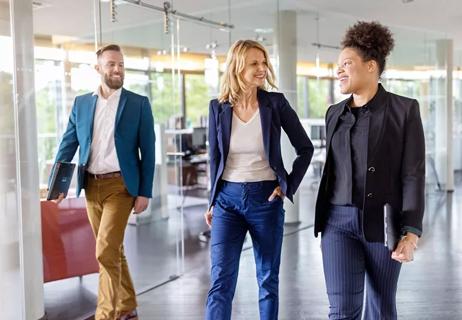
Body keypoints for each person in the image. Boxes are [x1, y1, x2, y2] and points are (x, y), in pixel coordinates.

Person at [314, 21, 425, 319]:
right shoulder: (333, 113)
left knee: (380, 305)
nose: (339, 70)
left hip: (383, 222)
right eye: (338, 65)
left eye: (347, 64)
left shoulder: (405, 110)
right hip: (337, 223)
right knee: (341, 310)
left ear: (371, 66)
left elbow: (413, 175)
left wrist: (411, 233)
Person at [204, 39, 314, 320]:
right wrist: (212, 201)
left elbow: (305, 148)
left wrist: (286, 185)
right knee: (220, 282)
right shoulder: (218, 108)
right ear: (237, 67)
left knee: (267, 281)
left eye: (264, 62)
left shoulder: (274, 104)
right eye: (254, 63)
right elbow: (215, 158)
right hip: (227, 201)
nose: (262, 68)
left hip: (265, 200)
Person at [51, 44, 155, 320]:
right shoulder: (82, 103)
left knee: (105, 248)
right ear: (98, 68)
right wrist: (57, 184)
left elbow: (149, 149)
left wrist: (145, 192)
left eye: (121, 64)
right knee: (112, 250)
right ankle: (128, 303)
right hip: (92, 186)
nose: (117, 69)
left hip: (122, 187)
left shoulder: (138, 103)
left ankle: (105, 313)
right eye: (111, 64)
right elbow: (68, 143)